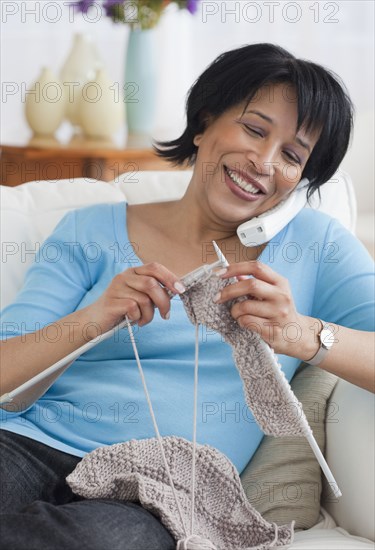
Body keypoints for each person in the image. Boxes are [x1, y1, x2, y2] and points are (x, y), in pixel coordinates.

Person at [0, 43, 374, 549]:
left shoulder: (319, 246)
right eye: (254, 129)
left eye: (291, 155)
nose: (263, 161)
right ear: (204, 123)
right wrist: (95, 318)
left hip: (161, 488)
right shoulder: (88, 229)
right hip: (26, 446)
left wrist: (302, 334)